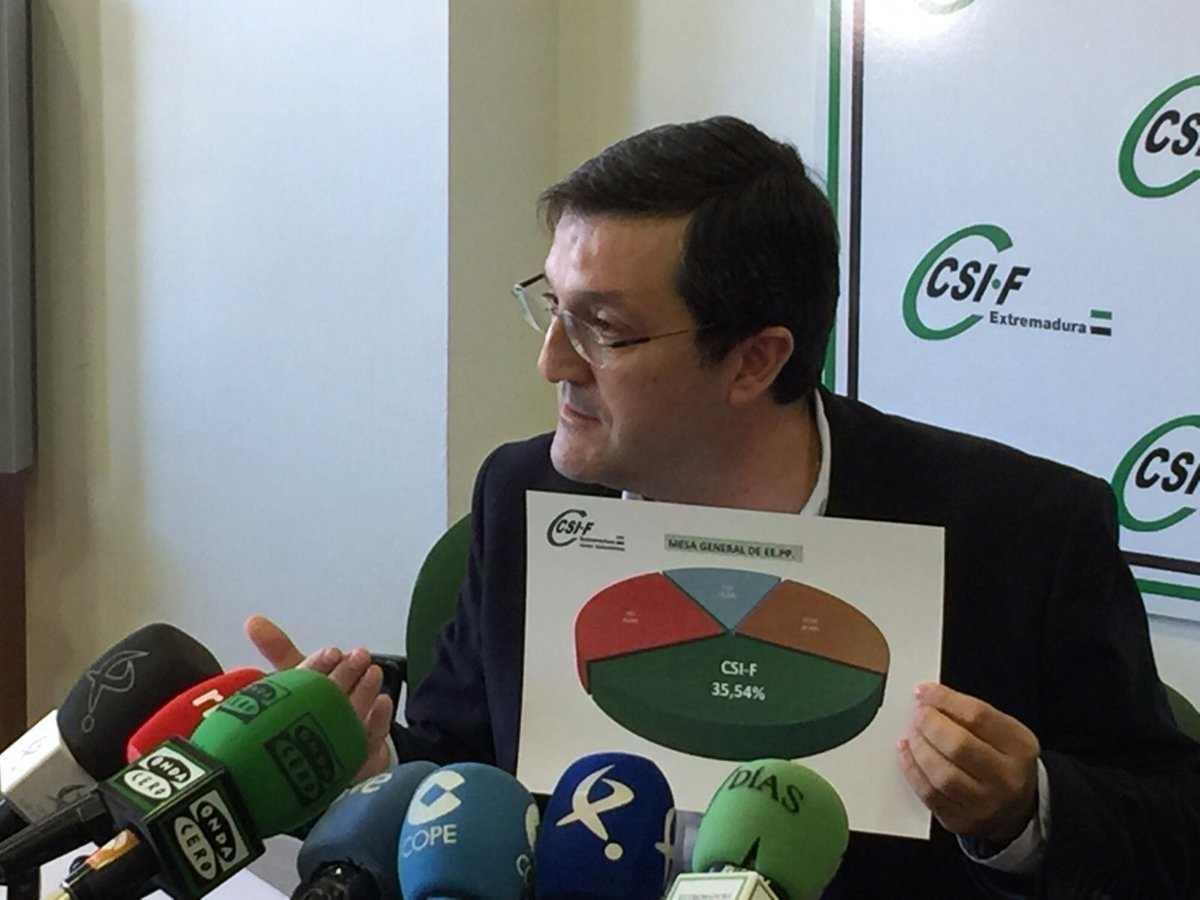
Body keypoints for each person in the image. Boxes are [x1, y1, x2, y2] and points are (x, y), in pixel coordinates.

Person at [250, 116, 1200, 897]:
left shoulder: (1023, 533)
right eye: (553, 306)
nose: (552, 361)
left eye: (603, 328)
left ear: (755, 359)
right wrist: (371, 767)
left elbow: (1175, 826)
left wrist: (1023, 811)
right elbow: (466, 767)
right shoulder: (523, 495)